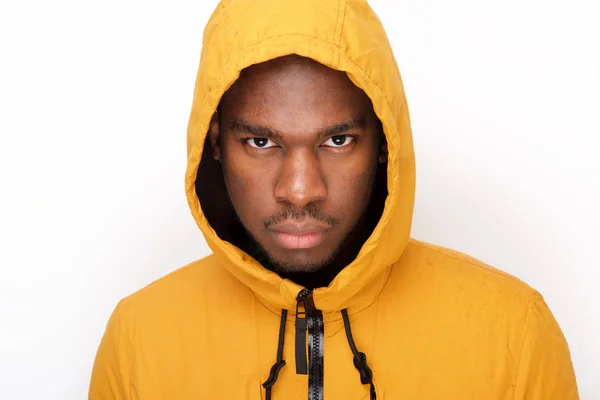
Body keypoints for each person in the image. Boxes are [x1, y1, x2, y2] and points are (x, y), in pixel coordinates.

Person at [89, 0, 578, 398]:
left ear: (384, 142)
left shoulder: (514, 335)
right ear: (214, 143)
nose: (300, 189)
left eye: (337, 140)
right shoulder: (140, 339)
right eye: (261, 143)